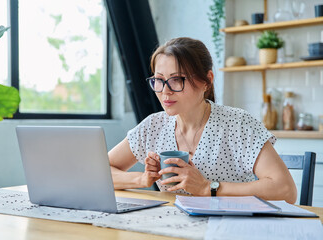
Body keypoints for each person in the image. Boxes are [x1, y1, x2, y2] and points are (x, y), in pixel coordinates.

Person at [109, 37, 297, 204]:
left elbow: (286, 190)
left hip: (230, 228)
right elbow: (101, 171)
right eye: (159, 80)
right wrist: (142, 179)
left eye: (177, 79)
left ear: (207, 81)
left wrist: (208, 188)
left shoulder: (238, 124)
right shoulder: (153, 126)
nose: (165, 90)